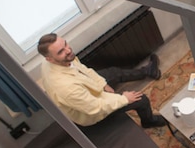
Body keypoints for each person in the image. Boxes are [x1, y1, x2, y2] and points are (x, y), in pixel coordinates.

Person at [37, 33, 166, 129]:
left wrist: (102, 83)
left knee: (113, 73)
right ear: (50, 59)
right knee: (141, 99)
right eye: (61, 51)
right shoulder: (66, 88)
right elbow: (96, 108)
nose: (68, 50)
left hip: (85, 85)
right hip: (92, 112)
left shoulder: (59, 59)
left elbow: (82, 69)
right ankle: (149, 121)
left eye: (65, 44)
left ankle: (148, 72)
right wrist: (124, 99)